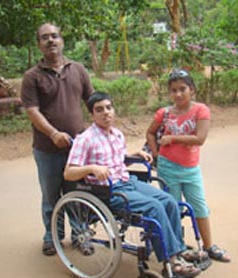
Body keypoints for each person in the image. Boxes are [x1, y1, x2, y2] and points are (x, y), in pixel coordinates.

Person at [64, 91, 202, 277]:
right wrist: (91, 168)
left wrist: (135, 154)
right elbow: (69, 173)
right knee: (154, 208)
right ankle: (172, 260)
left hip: (128, 181)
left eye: (109, 107)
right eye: (99, 110)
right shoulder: (85, 139)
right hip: (108, 191)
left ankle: (178, 248)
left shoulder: (117, 135)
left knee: (169, 201)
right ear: (92, 114)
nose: (106, 113)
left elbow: (118, 161)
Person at [20, 22, 94, 256]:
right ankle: (52, 236)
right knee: (51, 196)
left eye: (54, 36)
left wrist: (101, 130)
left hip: (77, 149)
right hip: (46, 149)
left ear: (62, 40)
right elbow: (32, 111)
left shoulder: (78, 69)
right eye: (45, 38)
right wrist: (53, 133)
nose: (50, 41)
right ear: (39, 45)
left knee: (78, 193)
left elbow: (91, 101)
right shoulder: (32, 77)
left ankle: (81, 234)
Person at [146, 69, 231, 263]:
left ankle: (209, 247)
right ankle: (179, 248)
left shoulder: (201, 110)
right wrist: (157, 155)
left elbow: (200, 139)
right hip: (168, 167)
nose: (178, 94)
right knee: (173, 209)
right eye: (173, 90)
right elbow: (150, 133)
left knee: (199, 207)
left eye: (182, 89)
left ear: (191, 89)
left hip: (191, 168)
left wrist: (172, 138)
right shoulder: (164, 113)